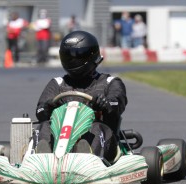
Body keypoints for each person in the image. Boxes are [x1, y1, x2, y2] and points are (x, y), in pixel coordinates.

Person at [34, 31, 128, 163]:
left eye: (78, 56)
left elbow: (117, 103)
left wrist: (105, 104)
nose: (73, 61)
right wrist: (47, 107)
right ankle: (42, 159)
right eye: (68, 57)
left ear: (91, 56)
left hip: (104, 142)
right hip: (60, 142)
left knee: (97, 127)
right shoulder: (57, 83)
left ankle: (86, 157)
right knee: (44, 126)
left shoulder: (110, 82)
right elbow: (40, 111)